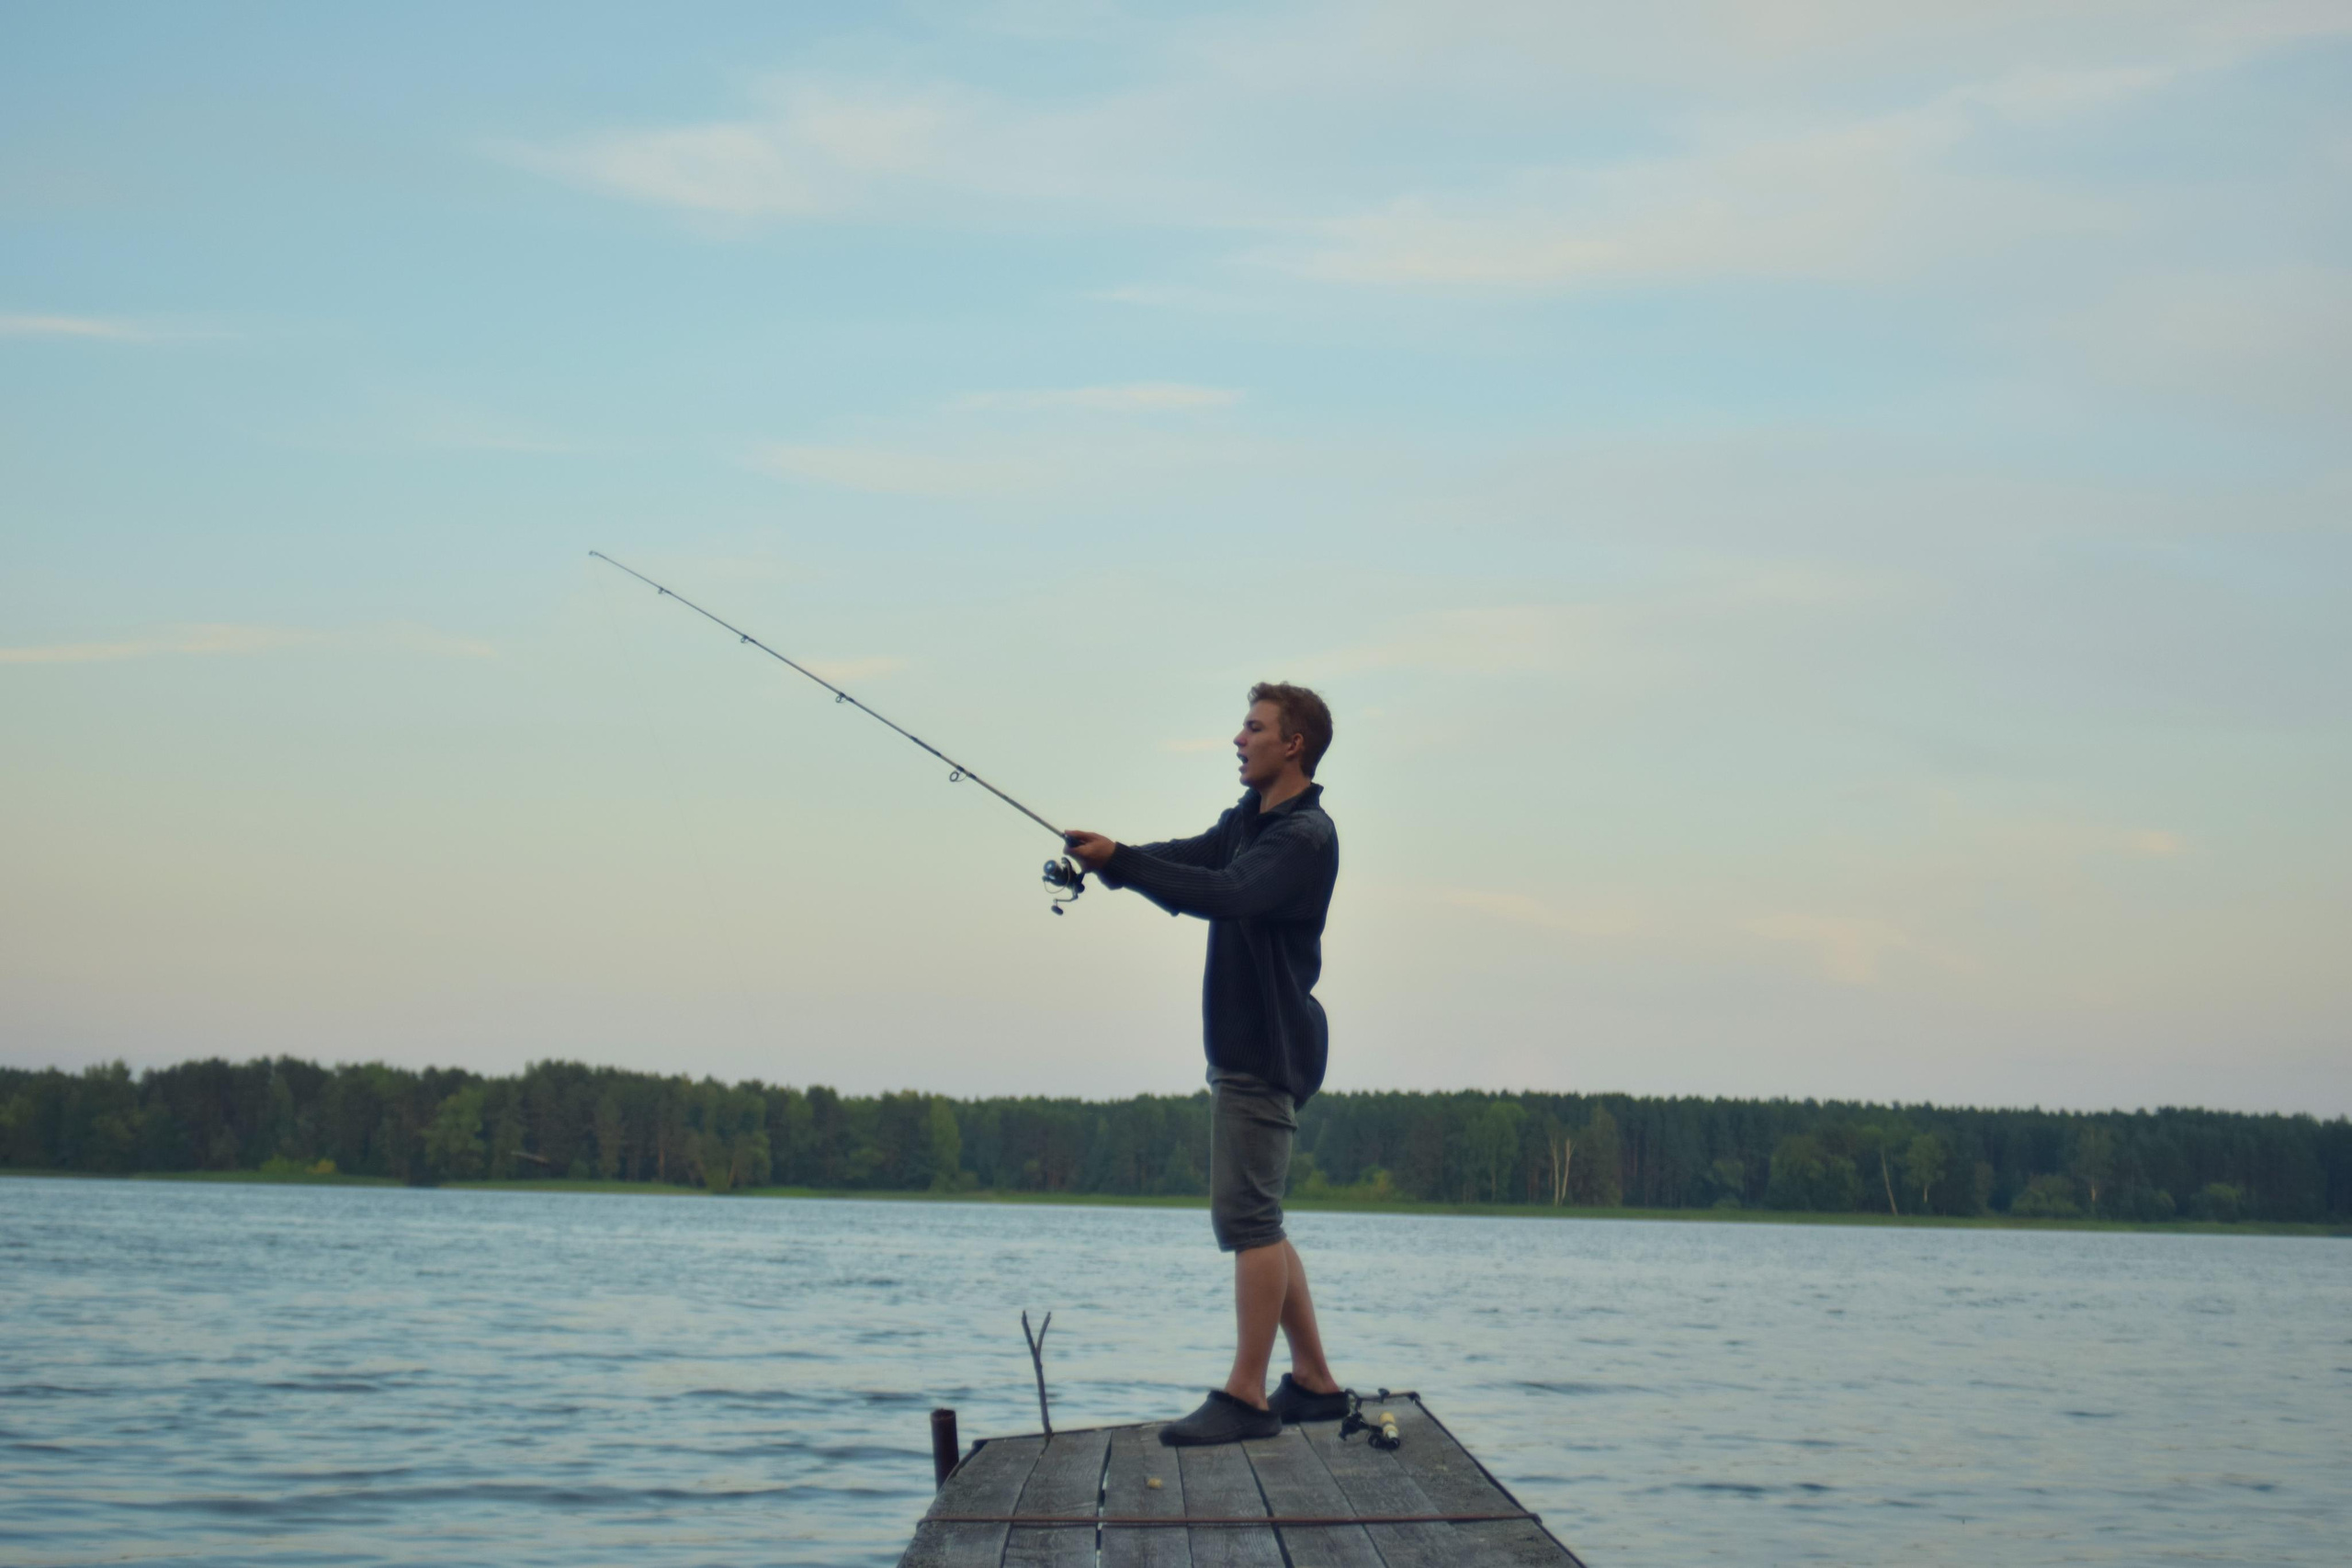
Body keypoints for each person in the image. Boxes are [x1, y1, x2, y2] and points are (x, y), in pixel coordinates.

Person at [1062, 682, 1351, 1447]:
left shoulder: (1304, 837)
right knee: (1263, 1217)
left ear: (1293, 745)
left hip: (1265, 1050)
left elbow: (1228, 892)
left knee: (1247, 1221)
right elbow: (1191, 859)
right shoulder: (1249, 822)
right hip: (1248, 1047)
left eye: (1252, 727)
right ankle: (1315, 1382)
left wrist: (1124, 861)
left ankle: (1248, 1395)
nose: (1237, 738)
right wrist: (1113, 860)